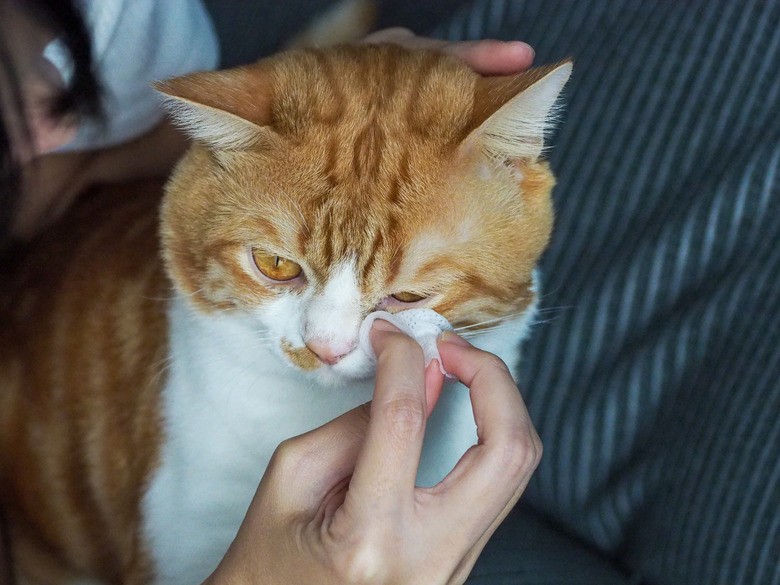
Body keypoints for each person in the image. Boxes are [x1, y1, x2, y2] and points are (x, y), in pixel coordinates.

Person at [0, 0, 541, 583]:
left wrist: (339, 88)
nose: (327, 342)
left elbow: (145, 148)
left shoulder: (124, 18)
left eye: (66, 86)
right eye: (278, 267)